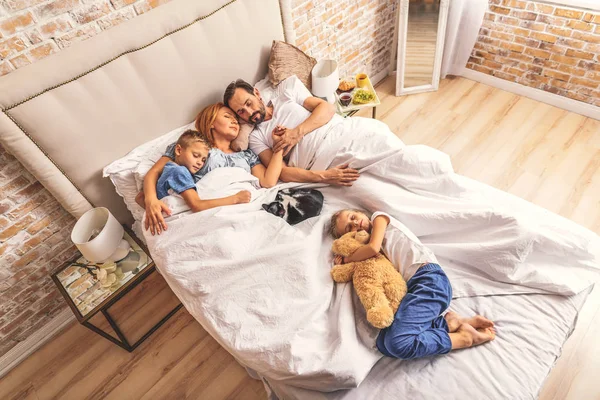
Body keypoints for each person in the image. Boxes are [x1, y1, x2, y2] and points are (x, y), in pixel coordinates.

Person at [330, 209, 496, 360]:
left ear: (361, 212)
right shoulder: (372, 251)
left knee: (398, 344)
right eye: (349, 229)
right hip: (414, 287)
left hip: (430, 280)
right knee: (383, 344)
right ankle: (448, 324)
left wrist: (347, 259)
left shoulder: (379, 218)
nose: (355, 224)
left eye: (353, 217)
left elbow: (372, 248)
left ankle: (464, 338)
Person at [140, 103, 285, 235]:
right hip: (209, 209)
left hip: (243, 207)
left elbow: (268, 182)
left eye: (236, 118)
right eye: (227, 116)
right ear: (211, 123)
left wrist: (279, 146)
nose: (234, 121)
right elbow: (155, 172)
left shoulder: (247, 155)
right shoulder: (193, 147)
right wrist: (151, 199)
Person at [224, 77, 360, 186]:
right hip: (323, 160)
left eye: (248, 103)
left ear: (257, 94)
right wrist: (324, 176)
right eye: (241, 111)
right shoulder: (256, 137)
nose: (249, 112)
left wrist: (295, 134)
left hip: (341, 132)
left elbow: (327, 108)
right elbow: (282, 172)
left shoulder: (286, 96)